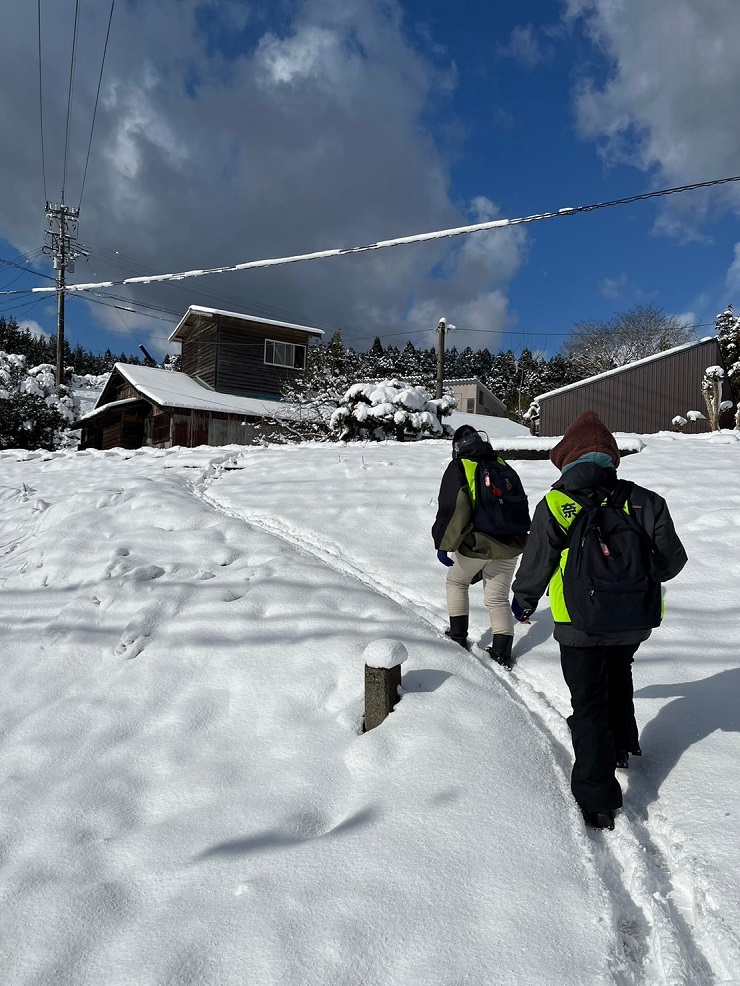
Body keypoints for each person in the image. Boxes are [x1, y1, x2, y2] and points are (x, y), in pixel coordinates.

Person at [510, 410, 687, 831]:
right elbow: (673, 562)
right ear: (611, 457)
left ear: (566, 458)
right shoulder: (646, 500)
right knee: (618, 670)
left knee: (588, 704)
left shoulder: (556, 502)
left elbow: (538, 563)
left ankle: (598, 798)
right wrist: (630, 582)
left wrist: (524, 600)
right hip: (634, 620)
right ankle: (623, 744)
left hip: (578, 622)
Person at [432, 425, 529, 666]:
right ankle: (501, 652)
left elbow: (455, 510)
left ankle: (457, 636)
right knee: (497, 598)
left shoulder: (460, 466)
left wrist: (444, 544)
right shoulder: (501, 465)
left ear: (457, 447)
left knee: (456, 581)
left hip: (479, 543)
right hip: (511, 543)